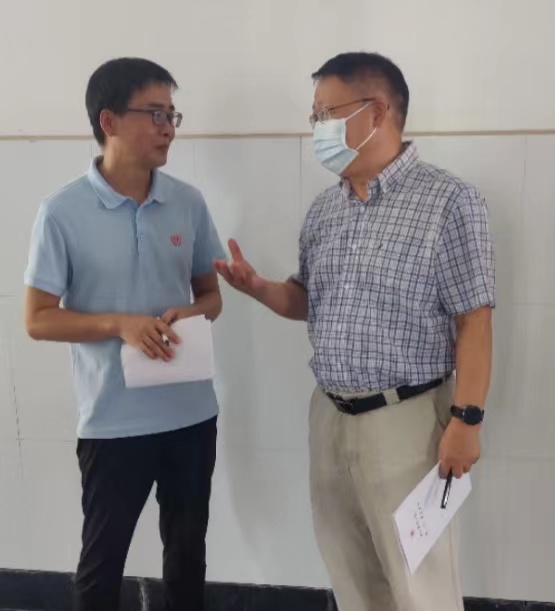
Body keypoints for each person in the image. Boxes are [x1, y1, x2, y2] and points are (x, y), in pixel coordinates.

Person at [215, 52, 494, 611]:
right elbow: (307, 300)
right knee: (353, 581)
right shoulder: (326, 210)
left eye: (327, 113)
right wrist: (259, 288)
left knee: (422, 589)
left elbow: (474, 319)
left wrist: (466, 421)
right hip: (330, 418)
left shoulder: (449, 202)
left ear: (378, 112)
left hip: (408, 424)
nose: (317, 128)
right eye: (314, 116)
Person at [24, 57, 225, 611]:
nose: (168, 128)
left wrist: (192, 312)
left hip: (191, 415)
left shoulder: (187, 202)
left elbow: (212, 298)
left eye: (172, 115)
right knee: (102, 563)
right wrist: (120, 324)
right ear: (108, 121)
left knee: (187, 559)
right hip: (112, 420)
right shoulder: (61, 212)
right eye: (154, 113)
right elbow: (38, 318)